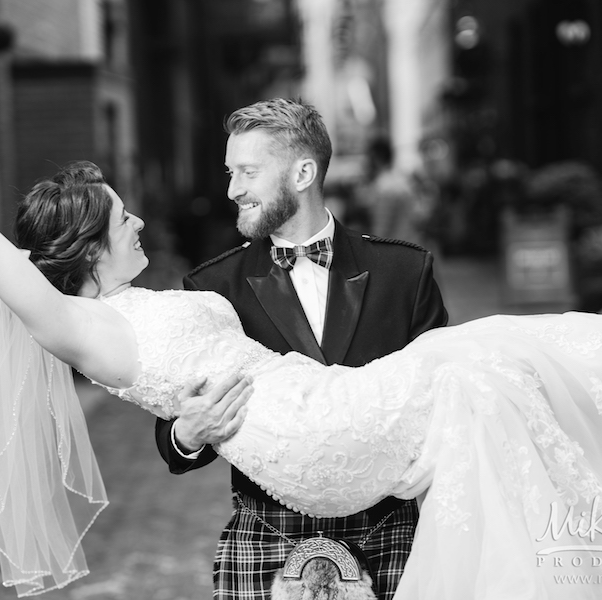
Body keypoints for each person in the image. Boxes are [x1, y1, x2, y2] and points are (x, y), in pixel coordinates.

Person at [0, 116, 602, 600]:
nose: (144, 221)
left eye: (244, 170)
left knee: (494, 359)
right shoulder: (79, 327)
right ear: (86, 247)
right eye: (125, 218)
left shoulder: (384, 272)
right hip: (311, 446)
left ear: (302, 174)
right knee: (492, 356)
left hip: (340, 426)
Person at [154, 99, 448, 600]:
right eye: (230, 173)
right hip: (267, 538)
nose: (232, 190)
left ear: (303, 172)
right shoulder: (213, 287)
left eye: (248, 172)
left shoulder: (404, 274)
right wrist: (188, 432)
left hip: (389, 533)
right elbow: (173, 438)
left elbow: (448, 408)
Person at [357, 136, 431, 246]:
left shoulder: (384, 187)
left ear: (375, 158)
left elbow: (380, 231)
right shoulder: (403, 180)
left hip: (396, 251)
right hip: (411, 246)